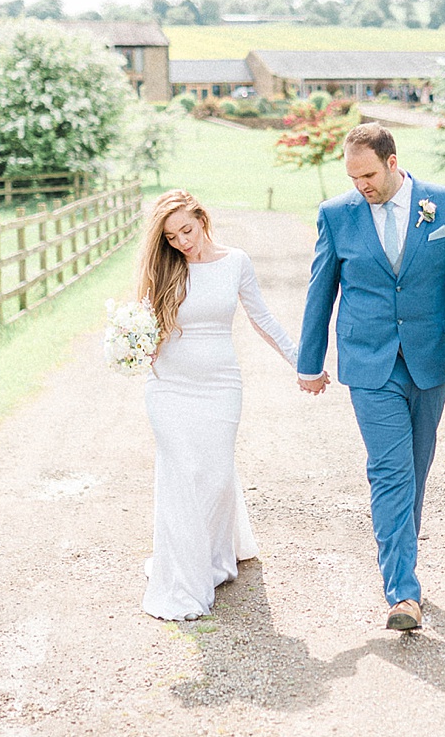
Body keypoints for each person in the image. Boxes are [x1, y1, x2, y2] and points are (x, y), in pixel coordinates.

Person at [296, 123, 445, 632]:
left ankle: (403, 565)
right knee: (390, 470)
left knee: (416, 466)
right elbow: (322, 291)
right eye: (352, 176)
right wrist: (309, 361)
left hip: (431, 360)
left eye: (367, 174)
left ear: (392, 161)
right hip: (368, 362)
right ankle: (403, 592)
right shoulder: (336, 215)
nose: (360, 185)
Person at [138, 189, 297, 622]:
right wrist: (132, 347)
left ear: (202, 219)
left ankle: (213, 557)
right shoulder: (165, 268)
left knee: (215, 475)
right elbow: (144, 328)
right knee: (180, 475)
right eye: (171, 237)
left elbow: (261, 318)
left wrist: (301, 360)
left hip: (221, 386)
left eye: (186, 230)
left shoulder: (236, 262)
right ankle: (184, 577)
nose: (182, 242)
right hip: (169, 387)